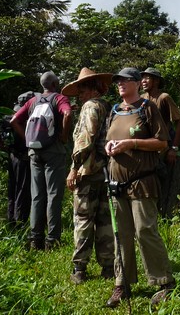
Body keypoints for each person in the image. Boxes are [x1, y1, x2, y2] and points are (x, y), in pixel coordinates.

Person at [105, 67, 176, 309]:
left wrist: (131, 143)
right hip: (117, 185)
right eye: (118, 81)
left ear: (137, 83)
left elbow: (161, 142)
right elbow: (109, 139)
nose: (121, 84)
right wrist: (110, 146)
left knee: (145, 230)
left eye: (125, 80)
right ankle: (122, 283)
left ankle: (164, 282)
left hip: (142, 182)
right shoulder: (114, 110)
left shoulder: (148, 108)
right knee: (121, 236)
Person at [63, 67, 115, 284]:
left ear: (92, 88)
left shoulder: (90, 107)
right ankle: (108, 267)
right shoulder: (108, 107)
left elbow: (86, 138)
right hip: (108, 170)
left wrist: (74, 168)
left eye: (82, 88)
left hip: (89, 170)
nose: (79, 94)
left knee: (83, 219)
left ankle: (79, 268)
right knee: (105, 220)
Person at [10, 71, 72, 250]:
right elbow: (67, 114)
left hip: (34, 152)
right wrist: (64, 136)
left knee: (37, 195)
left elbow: (15, 120)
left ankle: (35, 238)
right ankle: (52, 239)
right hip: (54, 152)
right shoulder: (59, 99)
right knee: (54, 195)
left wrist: (28, 141)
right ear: (55, 84)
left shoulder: (32, 101)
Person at [0, 91, 38, 226]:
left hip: (12, 156)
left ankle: (10, 219)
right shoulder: (23, 120)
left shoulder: (7, 118)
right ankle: (20, 222)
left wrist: (6, 149)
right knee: (23, 189)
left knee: (12, 188)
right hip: (23, 158)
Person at [140, 67, 180, 165]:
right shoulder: (142, 98)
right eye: (142, 78)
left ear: (156, 81)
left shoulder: (164, 98)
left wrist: (174, 148)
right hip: (147, 142)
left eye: (147, 78)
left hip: (162, 143)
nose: (143, 81)